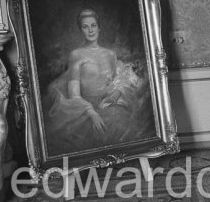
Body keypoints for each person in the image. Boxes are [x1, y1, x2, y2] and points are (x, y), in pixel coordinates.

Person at [43, 9, 152, 155]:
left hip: (109, 103)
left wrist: (116, 93)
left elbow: (119, 81)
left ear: (99, 27)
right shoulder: (76, 55)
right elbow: (74, 94)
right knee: (93, 132)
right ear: (80, 30)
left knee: (124, 125)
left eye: (93, 25)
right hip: (84, 107)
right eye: (85, 26)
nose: (90, 30)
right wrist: (92, 113)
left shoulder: (110, 54)